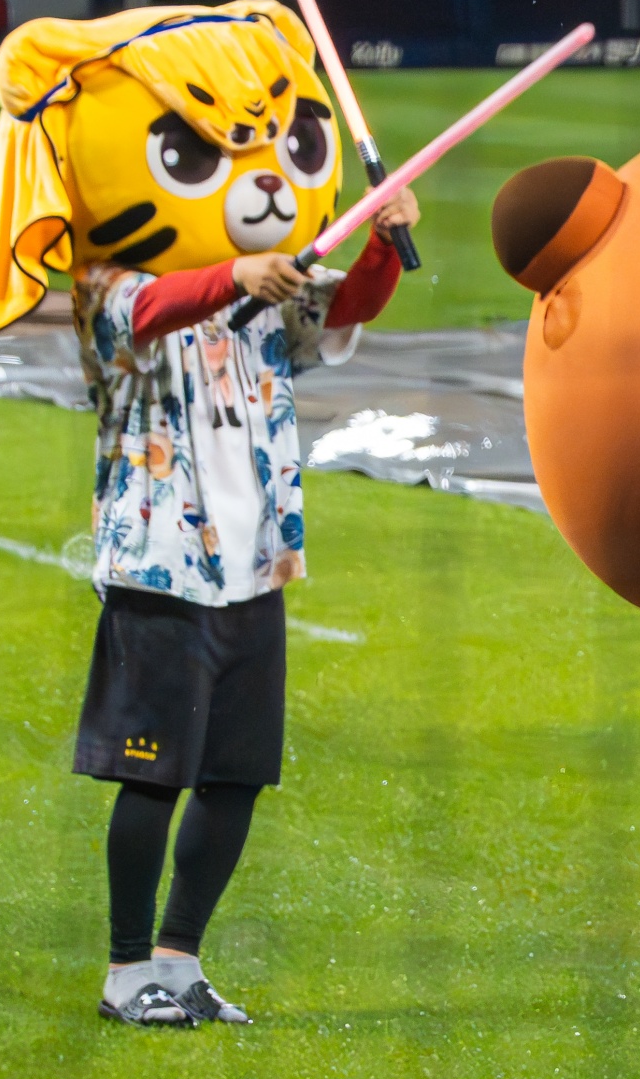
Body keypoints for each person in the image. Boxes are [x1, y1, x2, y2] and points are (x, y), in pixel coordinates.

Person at [74, 187, 418, 1028]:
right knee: (153, 777)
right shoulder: (106, 286)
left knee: (236, 777)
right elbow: (152, 308)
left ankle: (179, 961)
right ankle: (125, 972)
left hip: (257, 568)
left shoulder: (270, 293)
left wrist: (384, 243)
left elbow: (347, 306)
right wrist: (238, 272)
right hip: (159, 567)